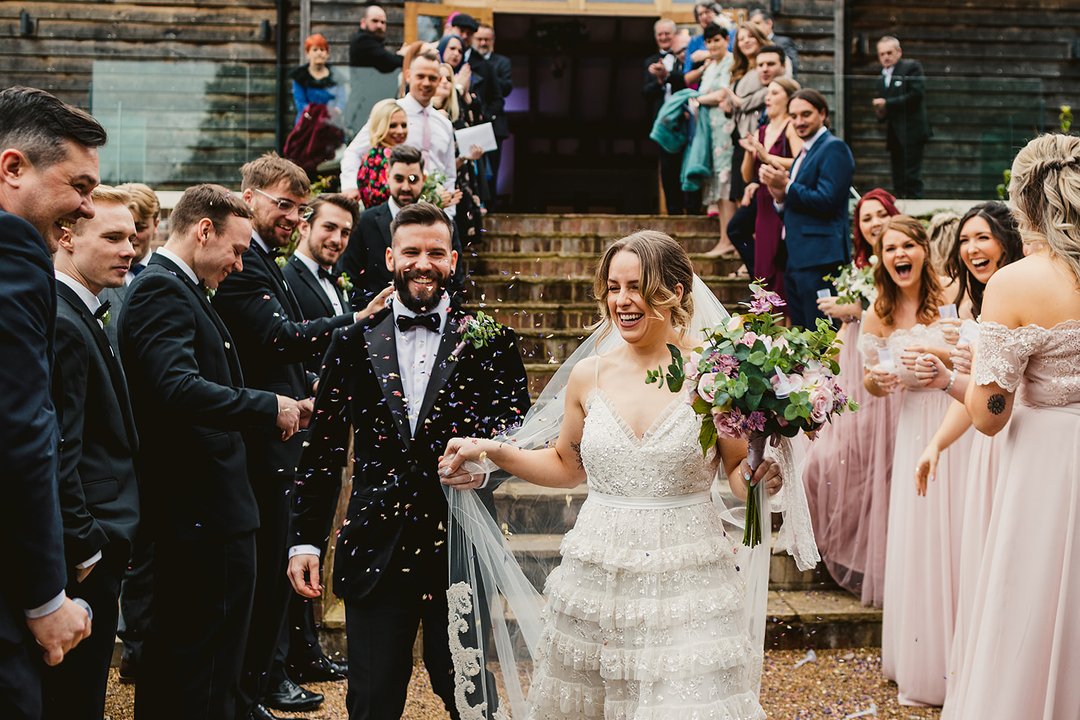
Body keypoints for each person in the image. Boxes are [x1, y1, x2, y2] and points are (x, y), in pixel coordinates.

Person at [438, 230, 797, 718]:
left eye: (638, 287)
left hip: (687, 578)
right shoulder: (590, 375)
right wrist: (493, 451)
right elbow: (566, 467)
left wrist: (756, 480)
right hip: (599, 574)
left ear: (676, 291)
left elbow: (735, 468)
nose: (623, 301)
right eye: (613, 287)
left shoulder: (717, 374)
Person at [287, 201, 531, 719]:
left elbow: (518, 434)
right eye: (413, 252)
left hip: (459, 545)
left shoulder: (492, 341)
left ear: (454, 260)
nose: (424, 263)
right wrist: (304, 539)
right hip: (377, 545)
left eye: (436, 253)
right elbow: (323, 451)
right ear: (391, 256)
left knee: (467, 695)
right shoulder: (350, 342)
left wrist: (485, 463)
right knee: (373, 700)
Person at [213, 154, 385, 720]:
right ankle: (256, 685)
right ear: (249, 196)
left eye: (296, 206)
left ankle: (264, 680)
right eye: (281, 204)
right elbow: (280, 339)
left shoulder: (266, 261)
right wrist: (357, 322)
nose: (289, 215)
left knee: (276, 566)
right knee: (262, 573)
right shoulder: (256, 268)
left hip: (290, 428)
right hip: (263, 437)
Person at [120, 184, 301, 720]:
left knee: (206, 660)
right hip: (200, 513)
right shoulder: (163, 290)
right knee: (201, 662)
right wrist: (267, 406)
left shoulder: (181, 288)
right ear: (204, 230)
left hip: (209, 510)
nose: (241, 266)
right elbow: (176, 388)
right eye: (238, 249)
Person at [942, 133, 1080, 720]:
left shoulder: (1017, 283)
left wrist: (957, 377)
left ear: (1022, 201)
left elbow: (988, 417)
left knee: (1034, 601)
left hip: (1047, 467)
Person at [0, 85, 100, 720]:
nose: (86, 209)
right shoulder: (14, 255)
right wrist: (44, 598)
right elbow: (20, 429)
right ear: (13, 168)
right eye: (80, 186)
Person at [906, 202, 1022, 702]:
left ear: (1007, 241)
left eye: (984, 238)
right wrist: (936, 442)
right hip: (985, 445)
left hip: (1019, 443)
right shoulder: (975, 305)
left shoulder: (1019, 297)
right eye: (966, 241)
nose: (973, 250)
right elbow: (975, 394)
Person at [860, 215, 972, 707]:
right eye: (890, 249)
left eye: (908, 245)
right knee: (922, 535)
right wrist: (876, 383)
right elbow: (868, 378)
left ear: (924, 249)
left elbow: (973, 354)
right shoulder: (877, 312)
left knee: (961, 531)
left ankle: (964, 657)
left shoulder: (952, 294)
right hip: (912, 430)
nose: (899, 255)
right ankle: (923, 661)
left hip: (957, 418)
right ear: (881, 259)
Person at [43, 185, 140, 720]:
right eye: (111, 237)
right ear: (66, 238)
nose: (129, 248)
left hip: (100, 539)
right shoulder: (62, 321)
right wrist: (86, 547)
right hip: (85, 550)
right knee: (73, 697)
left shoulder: (85, 312)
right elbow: (60, 450)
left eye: (131, 236)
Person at [803, 188, 901, 607]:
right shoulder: (859, 266)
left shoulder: (902, 263)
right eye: (866, 218)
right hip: (855, 370)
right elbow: (850, 330)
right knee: (823, 462)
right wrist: (826, 358)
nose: (874, 223)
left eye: (880, 215)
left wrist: (857, 310)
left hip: (887, 374)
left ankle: (873, 557)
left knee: (872, 464)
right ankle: (837, 548)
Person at [110, 182, 160, 683]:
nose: (136, 241)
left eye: (142, 228)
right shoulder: (108, 283)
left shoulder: (150, 276)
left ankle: (140, 644)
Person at [760, 88, 855, 328]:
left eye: (806, 114)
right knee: (802, 332)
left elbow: (828, 200)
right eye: (794, 116)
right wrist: (779, 196)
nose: (799, 122)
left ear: (822, 113)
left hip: (821, 258)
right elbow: (796, 203)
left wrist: (788, 186)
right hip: (796, 257)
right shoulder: (805, 152)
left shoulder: (834, 148)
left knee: (823, 332)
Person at [339, 144, 465, 309]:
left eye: (413, 179)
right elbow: (349, 278)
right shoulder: (364, 222)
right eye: (399, 179)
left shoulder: (444, 224)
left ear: (424, 179)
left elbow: (456, 281)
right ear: (388, 177)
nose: (406, 187)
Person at [341, 50, 457, 206]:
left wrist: (448, 211)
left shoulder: (444, 124)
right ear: (408, 76)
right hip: (394, 210)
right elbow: (354, 152)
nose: (426, 83)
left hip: (436, 212)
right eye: (420, 76)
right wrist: (350, 187)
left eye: (432, 78)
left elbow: (449, 174)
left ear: (438, 80)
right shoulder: (391, 115)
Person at [738, 76, 803, 298]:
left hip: (782, 200)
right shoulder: (761, 130)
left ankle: (785, 323)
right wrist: (749, 152)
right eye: (768, 92)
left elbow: (800, 161)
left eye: (775, 93)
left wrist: (767, 156)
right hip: (763, 205)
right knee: (763, 266)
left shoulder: (791, 127)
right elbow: (747, 175)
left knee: (779, 265)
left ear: (788, 98)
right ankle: (766, 324)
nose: (768, 97)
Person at [693, 25, 736, 250]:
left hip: (725, 129)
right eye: (709, 42)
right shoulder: (709, 66)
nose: (712, 45)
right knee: (716, 183)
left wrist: (699, 100)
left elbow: (722, 93)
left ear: (726, 40)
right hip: (709, 130)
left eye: (717, 40)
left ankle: (729, 239)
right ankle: (723, 237)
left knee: (725, 181)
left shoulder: (730, 61)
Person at [873, 36, 931, 199]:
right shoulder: (881, 78)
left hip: (912, 130)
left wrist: (887, 103)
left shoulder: (911, 67)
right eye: (882, 54)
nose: (886, 57)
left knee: (912, 174)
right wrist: (880, 111)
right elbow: (885, 110)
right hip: (894, 133)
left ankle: (915, 206)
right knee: (898, 174)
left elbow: (916, 94)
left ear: (899, 52)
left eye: (889, 52)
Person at [644, 18, 689, 215]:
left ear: (674, 35)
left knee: (687, 164)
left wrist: (669, 75)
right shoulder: (649, 62)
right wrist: (661, 80)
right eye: (660, 34)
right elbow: (645, 92)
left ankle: (692, 209)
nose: (663, 37)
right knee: (668, 168)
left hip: (687, 117)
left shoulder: (685, 59)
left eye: (667, 34)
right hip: (665, 122)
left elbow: (687, 83)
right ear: (655, 38)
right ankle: (674, 212)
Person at [471, 23, 512, 186]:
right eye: (479, 39)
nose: (483, 43)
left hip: (494, 123)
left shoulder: (502, 62)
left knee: (493, 169)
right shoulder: (469, 61)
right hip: (473, 122)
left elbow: (506, 88)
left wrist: (488, 74)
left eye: (486, 39)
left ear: (493, 40)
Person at [354, 98, 409, 208]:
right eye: (392, 126)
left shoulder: (371, 155)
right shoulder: (381, 158)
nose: (400, 131)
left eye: (404, 125)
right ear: (380, 126)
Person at [290, 33, 342, 127]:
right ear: (307, 54)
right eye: (315, 50)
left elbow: (341, 99)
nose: (319, 53)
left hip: (330, 122)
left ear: (327, 54)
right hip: (306, 123)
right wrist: (314, 117)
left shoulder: (337, 76)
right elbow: (300, 103)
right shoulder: (300, 77)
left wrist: (336, 112)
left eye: (322, 49)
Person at [348, 3, 403, 72]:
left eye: (383, 22)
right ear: (363, 23)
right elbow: (388, 62)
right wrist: (402, 55)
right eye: (374, 21)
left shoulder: (373, 42)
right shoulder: (362, 41)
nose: (379, 25)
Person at [748, 7, 799, 76]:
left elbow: (793, 68)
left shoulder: (783, 42)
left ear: (769, 23)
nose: (754, 28)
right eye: (752, 25)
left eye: (757, 23)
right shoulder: (753, 45)